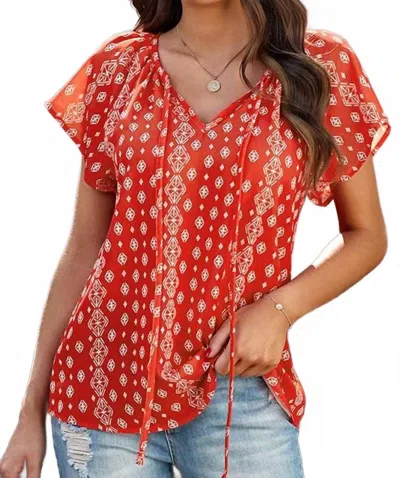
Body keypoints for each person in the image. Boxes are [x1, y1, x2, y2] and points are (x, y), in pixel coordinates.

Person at [0, 0, 392, 477]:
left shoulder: (320, 67)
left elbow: (366, 236)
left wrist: (280, 309)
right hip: (100, 389)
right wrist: (30, 411)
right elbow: (85, 248)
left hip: (239, 392)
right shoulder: (118, 69)